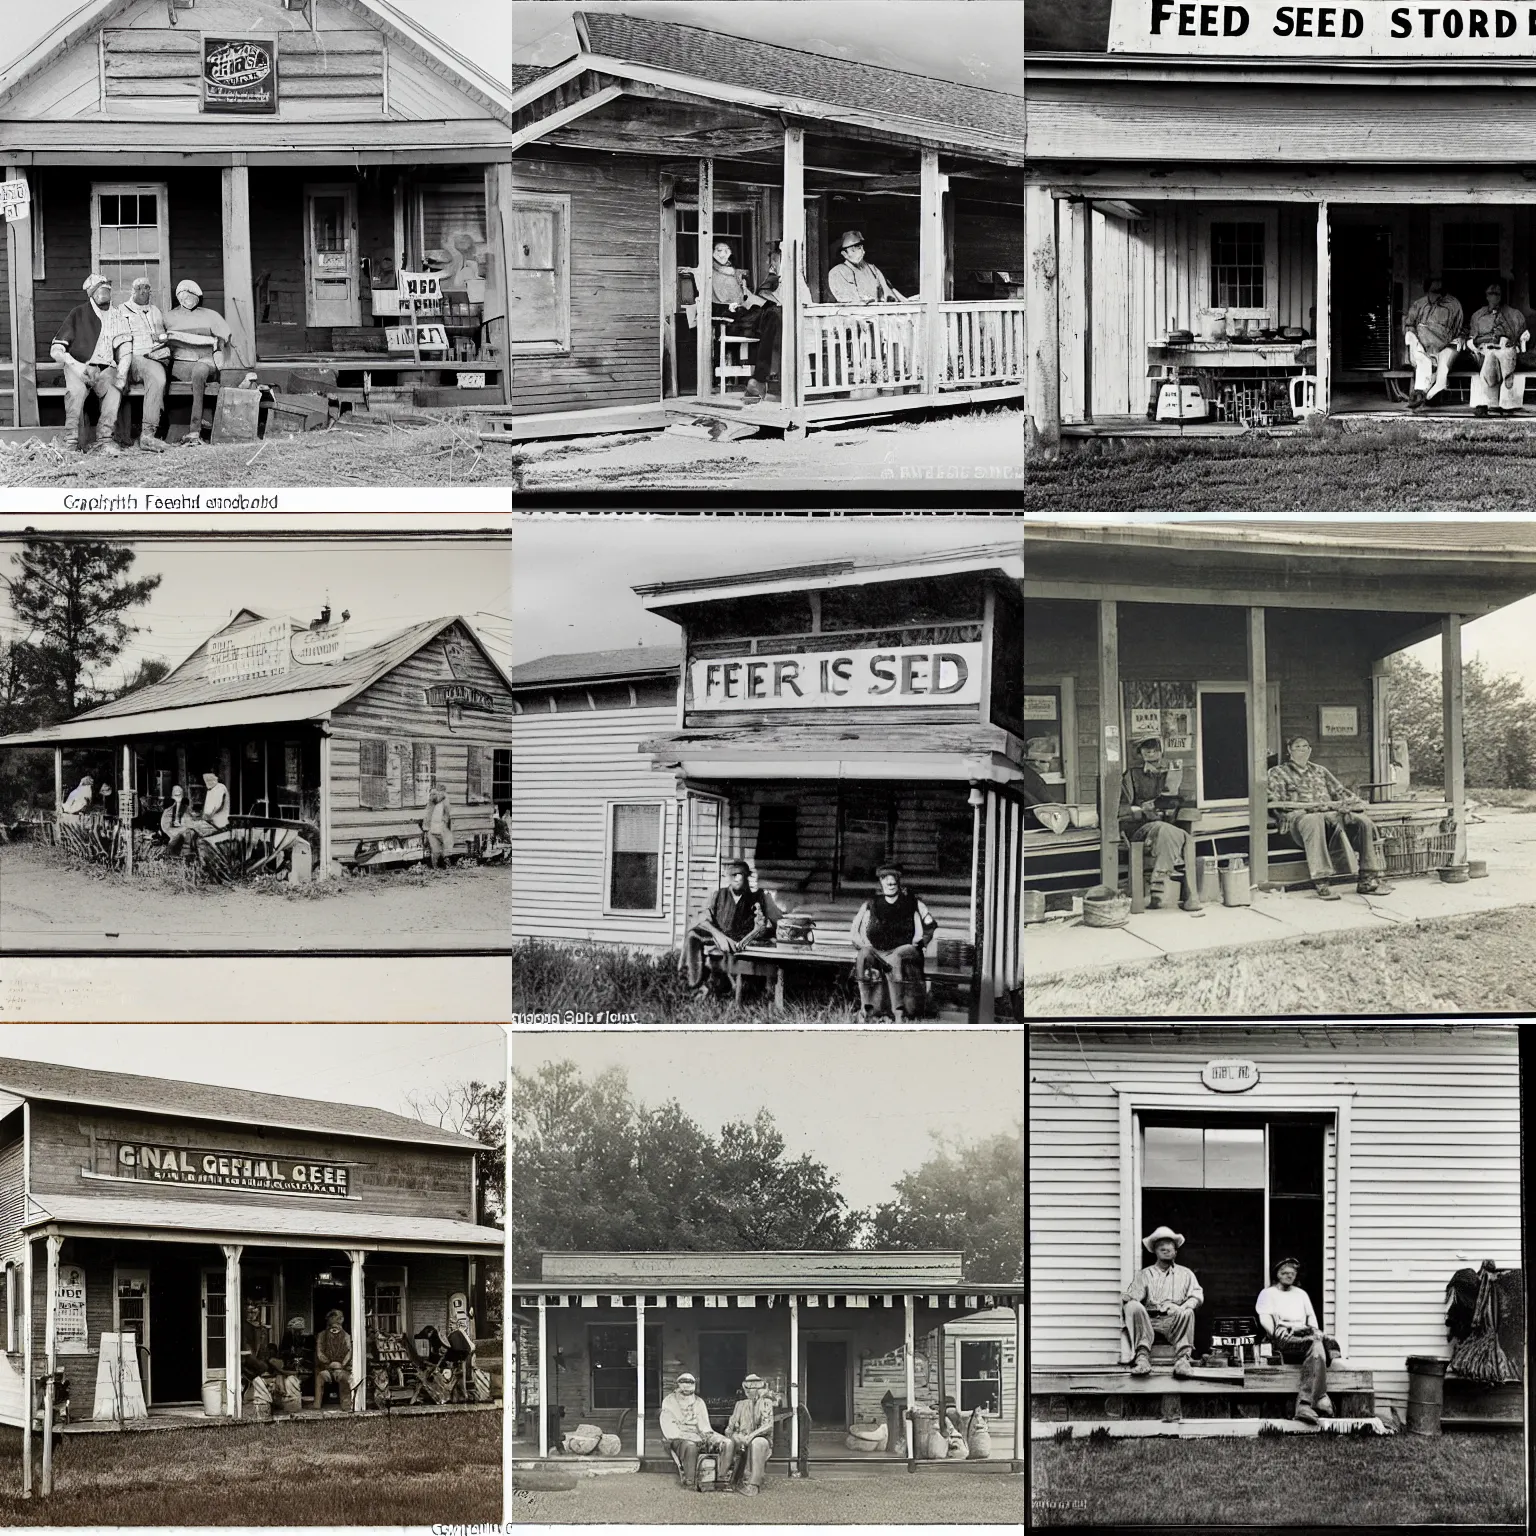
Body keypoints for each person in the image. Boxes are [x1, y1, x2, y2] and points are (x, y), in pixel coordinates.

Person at [1266, 736, 1392, 901]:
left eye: (1306, 746)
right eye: (1297, 747)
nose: (1302, 750)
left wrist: (1350, 803)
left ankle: (1367, 879)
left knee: (1362, 822)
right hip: (1299, 823)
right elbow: (1275, 802)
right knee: (1314, 820)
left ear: (1310, 750)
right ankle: (1322, 881)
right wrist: (1306, 809)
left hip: (1330, 818)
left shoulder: (1320, 771)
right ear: (1289, 750)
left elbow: (1343, 793)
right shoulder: (1278, 773)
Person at [1118, 737, 1205, 913]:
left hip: (1168, 827)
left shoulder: (1172, 772)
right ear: (1140, 753)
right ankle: (1165, 885)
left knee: (1179, 834)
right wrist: (1141, 809)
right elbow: (1121, 808)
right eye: (1145, 749)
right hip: (1140, 829)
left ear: (1161, 751)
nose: (1150, 752)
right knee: (1167, 831)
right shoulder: (1132, 775)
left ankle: (1165, 887)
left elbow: (1187, 801)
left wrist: (1173, 804)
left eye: (1154, 748)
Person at [1256, 1257, 1341, 1425]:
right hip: (1283, 1334)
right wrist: (1280, 1332)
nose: (1289, 1276)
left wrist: (1315, 1331)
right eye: (1285, 1273)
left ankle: (1305, 1405)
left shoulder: (1301, 1294)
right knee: (1316, 1345)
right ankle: (1318, 1398)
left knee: (1317, 1342)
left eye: (1292, 1273)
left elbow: (1311, 1318)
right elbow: (1267, 1321)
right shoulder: (1268, 1294)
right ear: (1277, 1275)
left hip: (1304, 1333)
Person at [49, 274, 125, 456]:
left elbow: (124, 347)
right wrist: (74, 364)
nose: (104, 292)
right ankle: (70, 442)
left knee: (114, 389)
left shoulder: (117, 315)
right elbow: (56, 350)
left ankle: (104, 440)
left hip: (106, 368)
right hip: (79, 366)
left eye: (107, 288)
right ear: (91, 293)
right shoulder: (78, 313)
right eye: (100, 289)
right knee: (76, 393)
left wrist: (121, 369)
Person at [850, 865, 938, 1021]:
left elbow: (930, 925)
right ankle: (866, 1009)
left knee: (895, 957)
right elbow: (854, 931)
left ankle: (899, 1013)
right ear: (881, 882)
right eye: (885, 879)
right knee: (863, 955)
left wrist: (922, 942)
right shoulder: (871, 904)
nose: (890, 883)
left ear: (898, 881)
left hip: (906, 950)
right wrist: (863, 945)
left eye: (893, 879)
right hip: (879, 950)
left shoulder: (913, 902)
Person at [98, 276, 172, 452]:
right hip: (128, 355)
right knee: (108, 379)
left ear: (150, 291)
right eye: (138, 288)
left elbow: (162, 335)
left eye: (146, 288)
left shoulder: (155, 311)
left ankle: (148, 435)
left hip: (151, 356)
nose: (143, 291)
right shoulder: (121, 310)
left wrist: (161, 340)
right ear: (132, 291)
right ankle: (109, 437)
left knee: (158, 378)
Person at [1122, 1225, 1203, 1378]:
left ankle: (1182, 1360)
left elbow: (1196, 1296)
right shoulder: (1144, 1274)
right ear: (1155, 1251)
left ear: (1176, 1252)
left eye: (1170, 1247)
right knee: (1133, 1306)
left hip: (1174, 1320)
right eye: (1161, 1247)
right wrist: (1129, 1298)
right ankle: (1142, 1358)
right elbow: (1135, 1296)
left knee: (1188, 1312)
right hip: (1149, 1321)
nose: (1166, 1250)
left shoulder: (1186, 1274)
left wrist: (1181, 1307)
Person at [684, 859, 778, 989]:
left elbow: (776, 922)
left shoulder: (760, 897)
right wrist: (718, 935)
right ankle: (694, 982)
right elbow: (700, 919)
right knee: (693, 934)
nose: (738, 878)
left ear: (748, 876)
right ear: (728, 876)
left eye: (742, 874)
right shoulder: (717, 896)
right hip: (722, 941)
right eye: (734, 875)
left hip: (746, 942)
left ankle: (763, 988)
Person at [707, 241, 781, 406]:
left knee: (775, 314)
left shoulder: (735, 273)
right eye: (719, 250)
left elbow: (745, 297)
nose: (722, 253)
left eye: (726, 250)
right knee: (772, 319)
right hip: (730, 320)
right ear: (712, 252)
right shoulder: (708, 273)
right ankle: (761, 379)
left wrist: (762, 303)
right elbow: (709, 303)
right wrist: (728, 307)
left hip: (746, 317)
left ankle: (761, 379)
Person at [164, 280, 236, 444]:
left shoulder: (210, 315)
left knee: (198, 373)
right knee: (162, 373)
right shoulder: (169, 316)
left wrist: (217, 350)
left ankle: (194, 430)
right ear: (178, 297)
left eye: (192, 295)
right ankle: (165, 426)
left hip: (205, 359)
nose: (188, 299)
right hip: (180, 361)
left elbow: (224, 337)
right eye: (184, 295)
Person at [1465, 280, 1531, 417]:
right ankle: (1507, 379)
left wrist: (1519, 342)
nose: (1494, 296)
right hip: (1484, 351)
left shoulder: (1514, 314)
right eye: (1491, 293)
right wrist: (1475, 350)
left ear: (1502, 296)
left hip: (1506, 350)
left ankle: (1487, 403)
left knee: (1501, 352)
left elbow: (1522, 336)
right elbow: (1471, 339)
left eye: (1497, 293)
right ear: (1486, 296)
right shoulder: (1478, 316)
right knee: (1491, 355)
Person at [659, 1371, 730, 1490]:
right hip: (679, 1438)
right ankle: (690, 1480)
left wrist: (709, 1437)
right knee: (691, 1445)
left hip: (699, 1433)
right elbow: (671, 1432)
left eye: (689, 1383)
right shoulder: (669, 1402)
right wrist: (691, 1436)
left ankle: (721, 1478)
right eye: (683, 1383)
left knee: (727, 1443)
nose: (686, 1385)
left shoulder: (699, 1402)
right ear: (678, 1385)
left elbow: (705, 1427)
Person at [1403, 274, 1464, 410]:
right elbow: (1409, 325)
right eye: (1434, 291)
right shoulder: (1419, 304)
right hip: (1422, 346)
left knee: (1446, 354)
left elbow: (1457, 330)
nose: (1437, 295)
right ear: (1427, 290)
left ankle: (1426, 392)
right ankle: (1420, 393)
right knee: (1421, 358)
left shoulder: (1453, 305)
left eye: (1440, 292)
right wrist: (1414, 342)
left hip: (1444, 345)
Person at [721, 1373, 775, 1496]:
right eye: (748, 1388)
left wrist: (751, 1436)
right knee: (732, 1441)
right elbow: (729, 1429)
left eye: (754, 1388)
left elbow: (768, 1425)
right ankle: (725, 1478)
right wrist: (735, 1434)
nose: (750, 1391)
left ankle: (753, 1484)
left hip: (761, 1438)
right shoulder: (740, 1404)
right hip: (742, 1437)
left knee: (757, 1443)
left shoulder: (766, 1403)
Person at [827, 230, 906, 304]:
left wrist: (904, 301)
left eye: (859, 247)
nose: (860, 251)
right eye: (853, 250)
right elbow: (849, 301)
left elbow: (889, 292)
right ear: (844, 253)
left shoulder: (872, 269)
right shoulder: (837, 272)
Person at [314, 1309, 354, 1410]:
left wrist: (342, 1365)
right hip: (326, 1368)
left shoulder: (346, 1336)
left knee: (345, 1379)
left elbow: (349, 1352)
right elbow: (320, 1353)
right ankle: (317, 1405)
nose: (334, 1328)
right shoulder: (322, 1335)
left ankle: (346, 1405)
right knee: (320, 1378)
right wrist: (329, 1363)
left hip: (341, 1368)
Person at [182, 770, 231, 846]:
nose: (207, 781)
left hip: (219, 824)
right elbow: (207, 807)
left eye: (209, 779)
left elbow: (218, 805)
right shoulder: (210, 790)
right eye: (206, 779)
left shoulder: (220, 788)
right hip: (211, 822)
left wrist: (208, 816)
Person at [421, 783, 454, 869]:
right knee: (435, 850)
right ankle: (435, 866)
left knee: (444, 848)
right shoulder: (431, 804)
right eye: (432, 794)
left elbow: (447, 814)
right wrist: (426, 829)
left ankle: (444, 865)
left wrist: (444, 822)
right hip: (432, 829)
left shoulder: (444, 801)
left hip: (441, 828)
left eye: (435, 793)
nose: (433, 795)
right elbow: (427, 817)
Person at [160, 784, 190, 852]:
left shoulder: (186, 808)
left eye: (180, 791)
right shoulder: (168, 809)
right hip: (174, 836)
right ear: (172, 795)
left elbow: (189, 823)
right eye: (175, 791)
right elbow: (166, 827)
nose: (178, 792)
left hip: (184, 838)